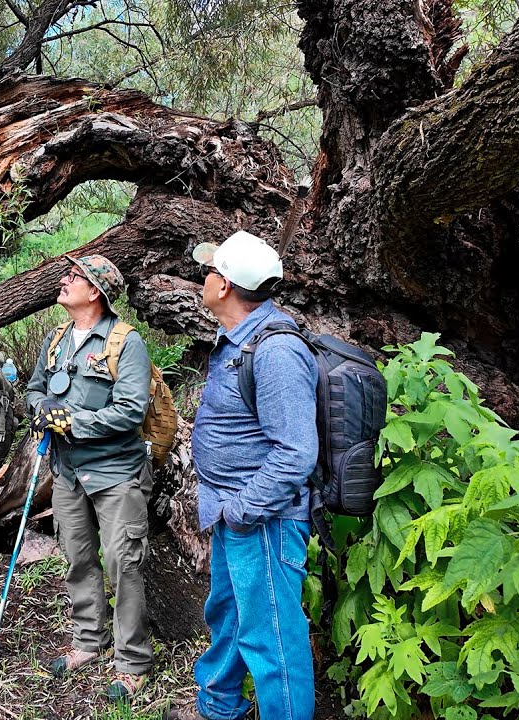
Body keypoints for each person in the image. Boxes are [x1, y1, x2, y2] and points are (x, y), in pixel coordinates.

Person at [166, 230, 318, 720]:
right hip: (235, 513)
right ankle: (219, 706)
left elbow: (296, 453)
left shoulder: (275, 352)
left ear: (225, 286)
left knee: (272, 637)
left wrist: (241, 510)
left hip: (263, 519)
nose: (203, 277)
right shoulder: (238, 341)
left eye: (211, 270)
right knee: (229, 617)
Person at [25, 254, 154, 701]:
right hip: (67, 473)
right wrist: (42, 411)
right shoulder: (57, 337)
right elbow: (35, 387)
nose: (64, 280)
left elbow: (131, 409)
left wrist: (73, 422)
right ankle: (88, 641)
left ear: (94, 291)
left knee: (124, 566)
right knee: (79, 558)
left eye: (74, 276)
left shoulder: (126, 343)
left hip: (116, 474)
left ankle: (132, 662)